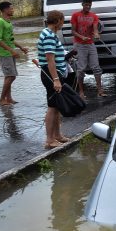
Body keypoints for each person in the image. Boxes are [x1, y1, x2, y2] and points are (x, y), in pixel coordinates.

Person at [38, 10, 71, 149]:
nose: (63, 23)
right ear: (57, 21)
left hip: (54, 73)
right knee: (52, 107)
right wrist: (56, 79)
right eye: (62, 21)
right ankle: (49, 140)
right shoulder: (49, 36)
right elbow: (50, 60)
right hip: (51, 74)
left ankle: (57, 135)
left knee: (56, 106)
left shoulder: (50, 34)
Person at [0, 1, 29, 106]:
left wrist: (21, 48)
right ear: (5, 10)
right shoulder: (0, 22)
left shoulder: (8, 22)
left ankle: (8, 98)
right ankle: (1, 100)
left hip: (9, 53)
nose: (13, 10)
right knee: (11, 76)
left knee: (8, 76)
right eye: (11, 8)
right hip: (4, 54)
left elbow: (10, 39)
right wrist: (12, 51)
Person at [71, 0, 105, 99]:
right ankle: (81, 91)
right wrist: (82, 37)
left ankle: (100, 90)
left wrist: (96, 35)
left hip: (90, 44)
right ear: (82, 4)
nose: (88, 7)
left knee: (96, 67)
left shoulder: (94, 16)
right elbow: (73, 31)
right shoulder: (75, 15)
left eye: (89, 5)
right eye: (86, 5)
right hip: (79, 44)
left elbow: (95, 29)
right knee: (81, 69)